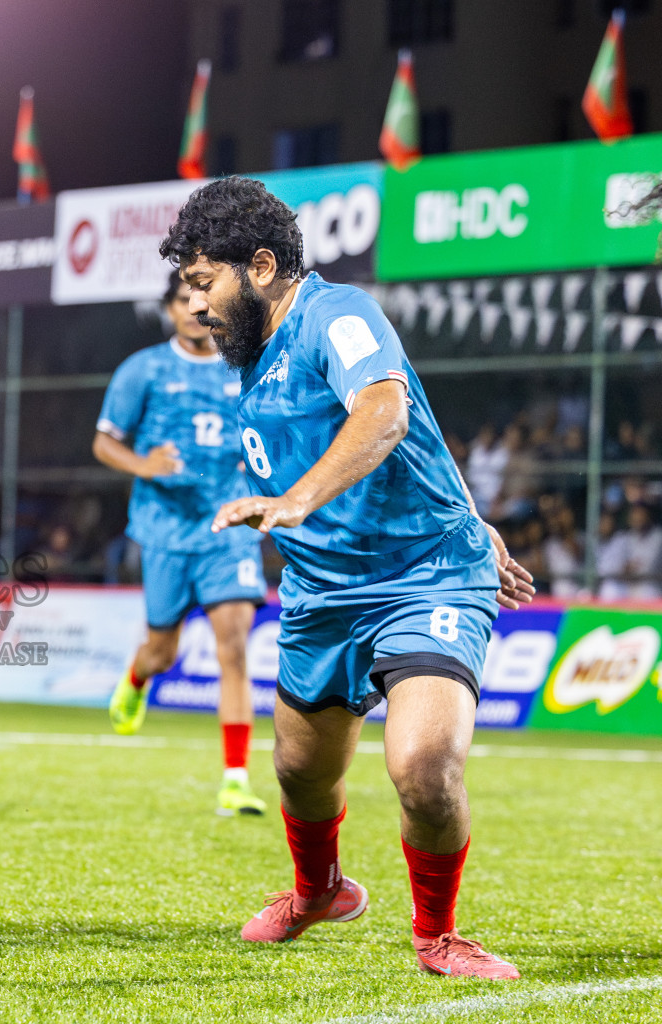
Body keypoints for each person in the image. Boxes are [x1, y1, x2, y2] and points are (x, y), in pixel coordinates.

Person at [161, 177, 535, 979]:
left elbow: (386, 411)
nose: (197, 306)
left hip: (426, 578)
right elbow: (422, 434)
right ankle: (320, 890)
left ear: (260, 265)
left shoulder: (338, 314)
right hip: (322, 592)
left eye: (205, 283)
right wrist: (473, 508)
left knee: (423, 764)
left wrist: (297, 500)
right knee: (299, 772)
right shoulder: (254, 356)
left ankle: (437, 936)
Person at [95, 276, 267, 817]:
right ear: (169, 310)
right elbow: (104, 442)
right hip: (165, 531)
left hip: (229, 526)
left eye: (205, 300)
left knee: (233, 646)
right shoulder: (142, 369)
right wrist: (143, 465)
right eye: (184, 302)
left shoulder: (247, 364)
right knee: (162, 650)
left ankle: (235, 778)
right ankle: (138, 676)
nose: (196, 311)